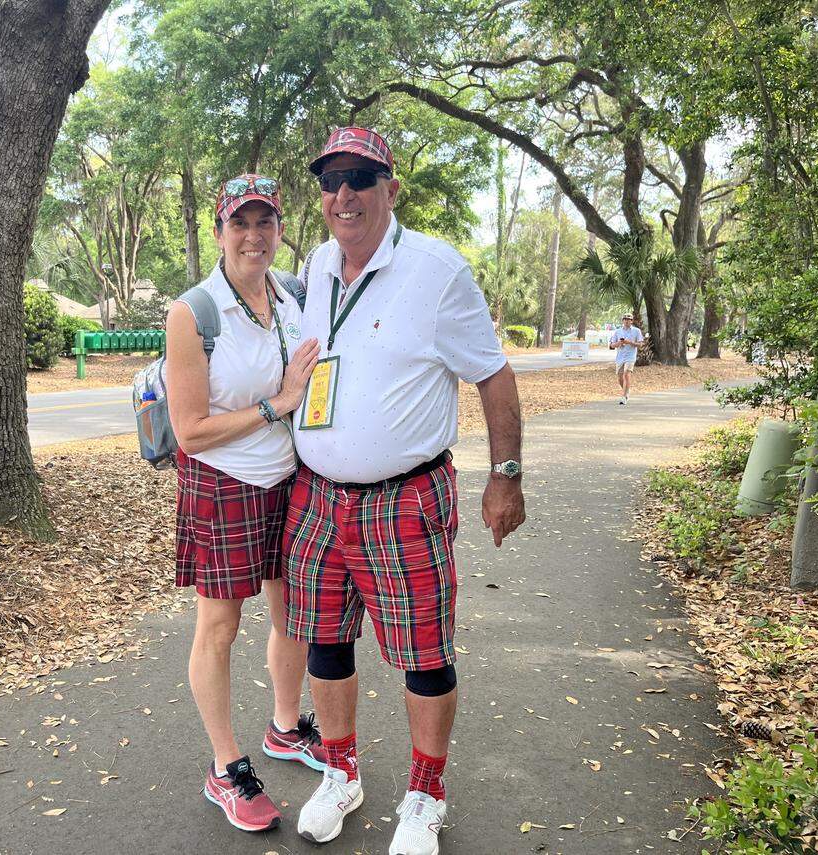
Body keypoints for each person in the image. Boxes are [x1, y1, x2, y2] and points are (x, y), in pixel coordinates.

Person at [283, 128, 526, 855]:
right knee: (326, 642)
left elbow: (494, 374)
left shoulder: (437, 270)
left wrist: (505, 477)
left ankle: (425, 793)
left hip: (404, 497)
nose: (344, 194)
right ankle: (341, 772)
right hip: (318, 497)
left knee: (424, 652)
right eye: (331, 180)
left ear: (392, 187)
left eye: (361, 176)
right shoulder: (319, 266)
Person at [165, 174, 324, 833]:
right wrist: (275, 404)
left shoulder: (293, 295)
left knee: (293, 615)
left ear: (281, 226)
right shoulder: (195, 313)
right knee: (220, 628)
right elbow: (190, 430)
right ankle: (225, 764)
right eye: (241, 222)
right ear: (219, 230)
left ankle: (286, 726)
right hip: (223, 485)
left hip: (290, 481)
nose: (254, 235)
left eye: (266, 221)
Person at [609, 313, 644, 404]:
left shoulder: (636, 331)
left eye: (628, 319)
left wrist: (630, 342)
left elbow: (640, 344)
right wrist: (619, 343)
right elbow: (612, 345)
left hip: (630, 357)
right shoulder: (617, 331)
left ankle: (624, 397)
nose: (626, 321)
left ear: (632, 321)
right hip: (620, 357)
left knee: (626, 375)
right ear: (622, 321)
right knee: (620, 378)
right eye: (624, 319)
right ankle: (627, 391)